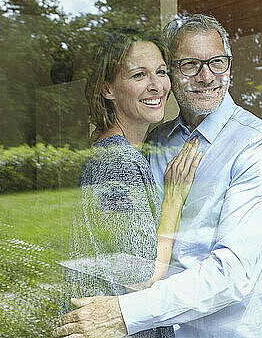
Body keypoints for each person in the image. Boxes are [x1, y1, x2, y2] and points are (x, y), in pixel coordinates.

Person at [54, 14, 262, 338]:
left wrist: (124, 315)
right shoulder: (154, 140)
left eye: (217, 62)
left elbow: (233, 275)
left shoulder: (255, 146)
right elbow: (129, 248)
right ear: (175, 71)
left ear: (229, 66)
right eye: (189, 64)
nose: (206, 76)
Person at [60, 29, 202, 338]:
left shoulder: (111, 148)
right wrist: (173, 200)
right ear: (108, 89)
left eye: (161, 72)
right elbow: (143, 274)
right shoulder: (118, 162)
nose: (157, 85)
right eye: (139, 75)